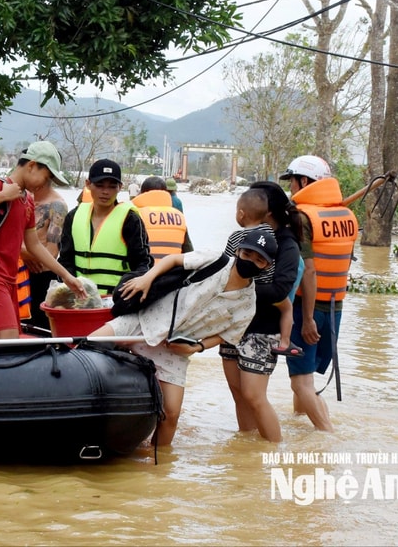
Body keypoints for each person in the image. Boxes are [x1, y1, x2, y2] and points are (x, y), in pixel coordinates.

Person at [90, 228, 277, 447]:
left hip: (174, 349)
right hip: (145, 320)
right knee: (88, 345)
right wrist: (146, 278)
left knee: (171, 414)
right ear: (238, 251)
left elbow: (227, 336)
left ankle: (157, 463)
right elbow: (173, 260)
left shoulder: (248, 304)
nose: (251, 262)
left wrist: (196, 347)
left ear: (267, 266)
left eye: (259, 260)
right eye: (247, 255)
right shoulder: (214, 259)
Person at [0, 141, 86, 339]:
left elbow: (34, 245)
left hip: (9, 279)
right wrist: (1, 196)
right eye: (46, 176)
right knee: (8, 340)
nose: (45, 183)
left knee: (5, 339)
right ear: (32, 165)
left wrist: (67, 276)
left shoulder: (27, 200)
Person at [279, 155, 357, 432]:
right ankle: (299, 420)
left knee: (299, 382)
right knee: (306, 377)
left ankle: (328, 434)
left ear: (304, 181)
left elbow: (309, 271)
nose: (291, 189)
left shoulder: (303, 217)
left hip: (307, 308)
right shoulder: (346, 215)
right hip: (336, 308)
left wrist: (308, 318)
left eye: (292, 182)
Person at [219, 186, 303, 443]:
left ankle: (274, 450)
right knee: (238, 392)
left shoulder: (286, 244)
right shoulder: (241, 238)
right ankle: (248, 449)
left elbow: (280, 290)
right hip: (235, 325)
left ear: (267, 212)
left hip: (263, 328)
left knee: (254, 396)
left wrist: (239, 291)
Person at [58, 159, 154, 296]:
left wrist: (123, 292)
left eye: (112, 186)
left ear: (120, 187)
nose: (105, 192)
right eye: (99, 185)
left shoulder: (130, 219)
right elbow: (65, 260)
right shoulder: (74, 216)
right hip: (80, 298)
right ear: (88, 184)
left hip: (116, 300)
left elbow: (143, 264)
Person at [222, 188, 297, 356]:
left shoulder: (236, 237)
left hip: (243, 287)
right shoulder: (270, 232)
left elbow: (225, 263)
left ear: (241, 214)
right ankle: (285, 341)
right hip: (268, 286)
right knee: (287, 309)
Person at [20, 175, 68, 329]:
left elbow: (52, 253)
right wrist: (22, 254)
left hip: (41, 274)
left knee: (39, 330)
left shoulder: (57, 205)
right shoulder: (20, 199)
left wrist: (25, 254)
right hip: (17, 273)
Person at [131, 176, 193, 261]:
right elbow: (189, 253)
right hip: (172, 272)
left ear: (141, 193)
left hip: (143, 272)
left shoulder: (134, 215)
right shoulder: (179, 217)